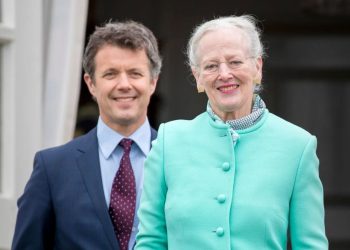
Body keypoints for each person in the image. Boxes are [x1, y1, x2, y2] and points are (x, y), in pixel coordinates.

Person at [135, 15, 328, 250]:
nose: (224, 74)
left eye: (235, 62)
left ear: (257, 67)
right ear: (197, 77)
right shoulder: (168, 142)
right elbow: (151, 242)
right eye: (211, 66)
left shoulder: (298, 146)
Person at [12, 20, 161, 250]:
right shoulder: (52, 168)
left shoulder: (180, 158)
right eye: (110, 74)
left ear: (152, 82)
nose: (124, 84)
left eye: (135, 73)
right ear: (91, 84)